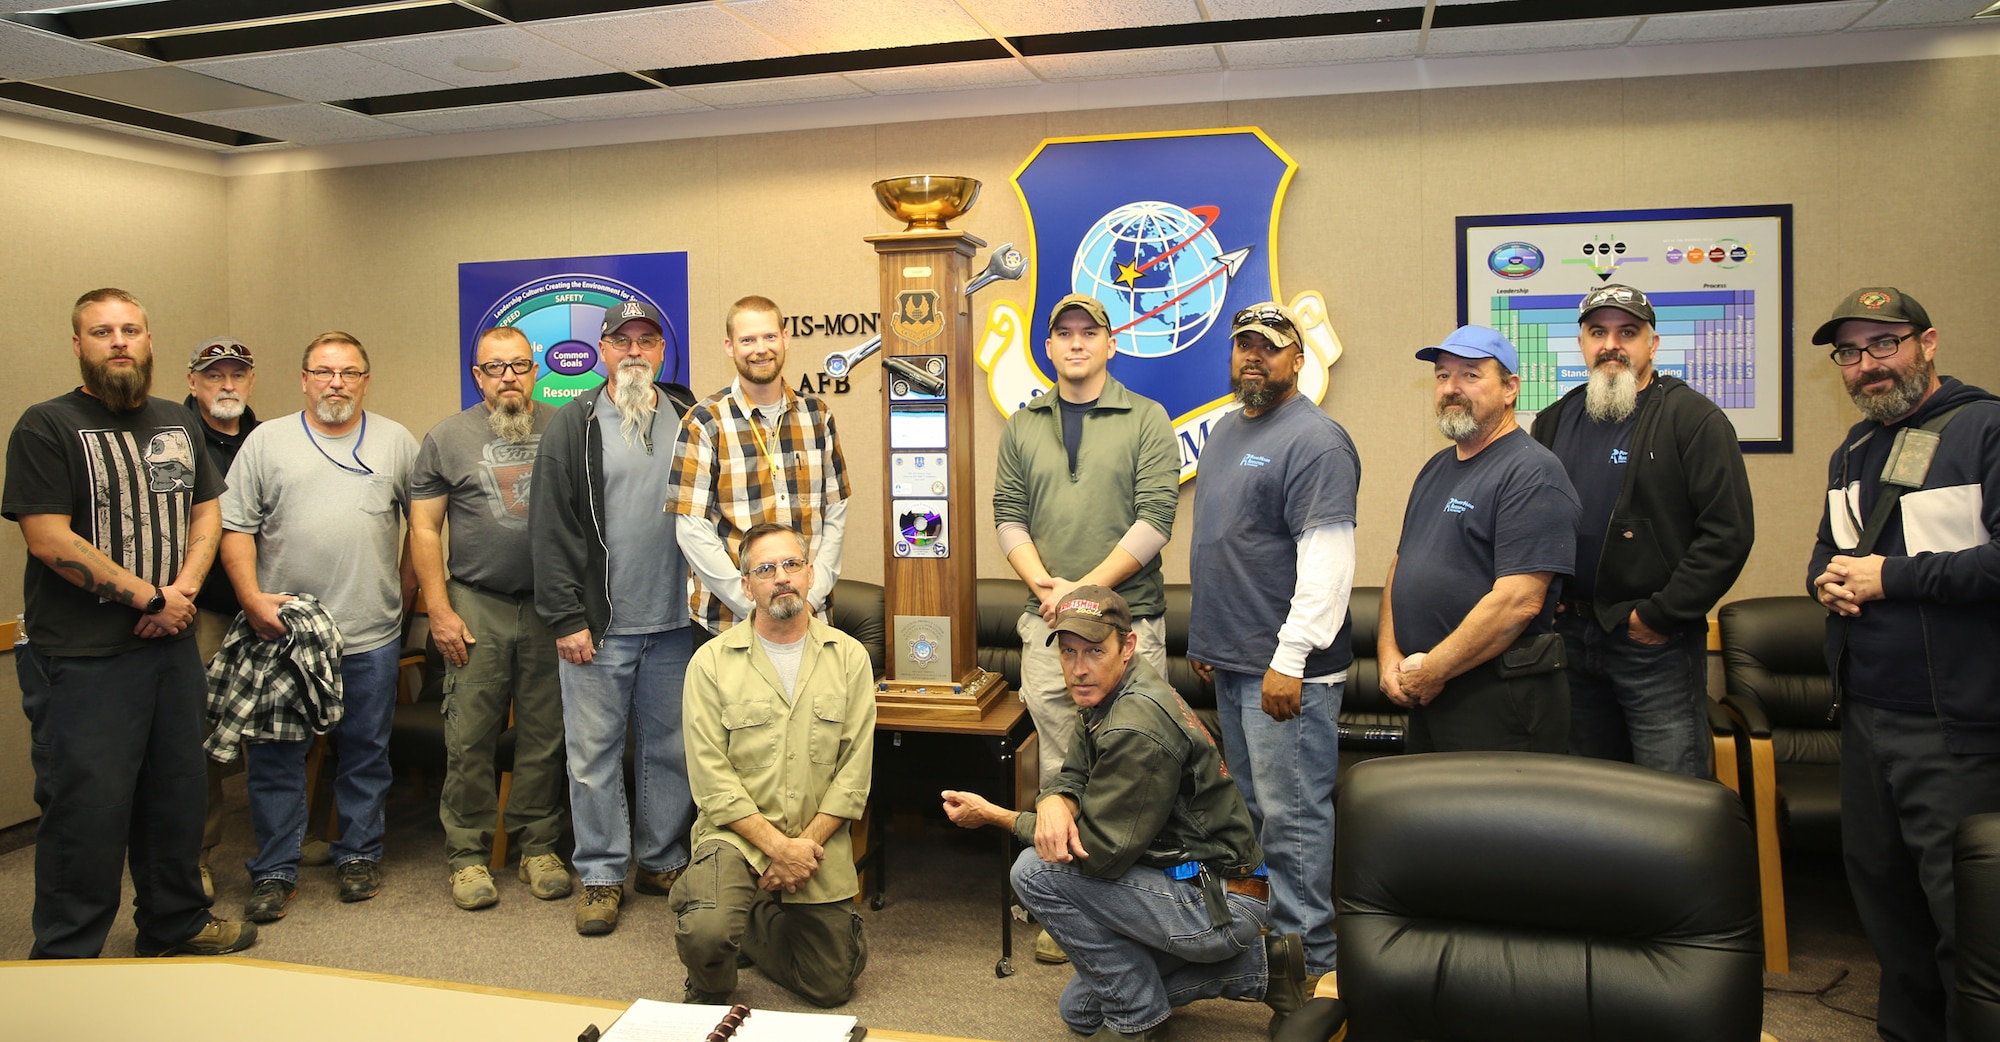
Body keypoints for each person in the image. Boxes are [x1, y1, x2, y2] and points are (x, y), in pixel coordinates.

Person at [3, 288, 257, 959]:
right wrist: (147, 598)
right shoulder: (45, 426)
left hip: (169, 649)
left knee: (175, 797)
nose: (119, 341)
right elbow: (49, 539)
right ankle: (66, 952)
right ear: (79, 346)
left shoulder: (177, 421)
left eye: (131, 329)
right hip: (83, 661)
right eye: (102, 331)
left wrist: (182, 593)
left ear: (149, 340)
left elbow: (207, 514)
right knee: (87, 812)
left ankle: (174, 922)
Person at [943, 586, 1307, 1042]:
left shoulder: (1136, 723)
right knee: (1079, 1010)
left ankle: (1138, 1020)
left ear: (1126, 645)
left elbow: (1098, 853)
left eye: (1095, 651)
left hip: (1219, 899)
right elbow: (1073, 771)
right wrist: (1053, 801)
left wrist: (998, 816)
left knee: (1035, 871)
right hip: (1179, 877)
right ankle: (1266, 969)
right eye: (1069, 652)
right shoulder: (1109, 690)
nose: (1078, 668)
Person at [1809, 286, 2000, 1042]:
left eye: (1884, 345)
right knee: (1888, 911)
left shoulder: (1985, 428)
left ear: (1928, 343)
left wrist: (1890, 577)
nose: (1867, 365)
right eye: (1850, 353)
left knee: (1966, 922)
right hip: (1865, 717)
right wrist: (1826, 579)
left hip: (1957, 727)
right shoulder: (1853, 448)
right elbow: (1833, 552)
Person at [992, 292, 1178, 963]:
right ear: (1049, 347)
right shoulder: (1024, 424)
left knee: (1131, 764)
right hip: (1046, 623)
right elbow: (1008, 515)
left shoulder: (1148, 419)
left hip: (1127, 624)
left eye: (1088, 333)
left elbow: (1156, 520)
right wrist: (1047, 585)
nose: (1075, 344)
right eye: (1063, 334)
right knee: (1060, 762)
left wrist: (1086, 591)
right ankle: (1063, 900)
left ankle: (1137, 904)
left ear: (1110, 344)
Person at [1185, 301, 1358, 983]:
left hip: (1286, 674)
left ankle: (1312, 975)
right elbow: (1226, 544)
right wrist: (1211, 637)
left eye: (1269, 347)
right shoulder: (1228, 430)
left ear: (1298, 359)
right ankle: (1272, 960)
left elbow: (1329, 565)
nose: (1252, 357)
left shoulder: (1316, 439)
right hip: (1233, 663)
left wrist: (1289, 660)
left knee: (1294, 824)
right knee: (1256, 818)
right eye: (1243, 345)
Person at [220, 330, 418, 919]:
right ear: (304, 379)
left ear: (365, 379)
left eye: (350, 372)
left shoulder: (395, 442)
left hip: (370, 634)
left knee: (365, 752)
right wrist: (253, 599)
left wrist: (404, 594)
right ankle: (275, 869)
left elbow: (424, 525)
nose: (337, 383)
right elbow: (236, 530)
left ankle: (358, 853)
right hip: (286, 635)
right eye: (325, 372)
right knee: (278, 756)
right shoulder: (265, 442)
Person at [1530, 284, 1754, 777]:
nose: (1612, 344)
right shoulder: (1551, 421)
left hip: (1654, 645)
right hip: (1571, 637)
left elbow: (1728, 533)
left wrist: (1658, 616)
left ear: (1652, 344)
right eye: (1598, 332)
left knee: (1672, 797)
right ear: (1583, 343)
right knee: (1589, 795)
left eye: (1627, 332)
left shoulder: (1694, 419)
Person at [531, 298, 698, 936]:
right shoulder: (573, 427)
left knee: (671, 749)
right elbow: (547, 533)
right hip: (597, 628)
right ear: (602, 351)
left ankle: (660, 860)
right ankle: (601, 874)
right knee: (592, 755)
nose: (634, 352)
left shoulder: (690, 417)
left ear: (662, 351)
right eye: (621, 341)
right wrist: (564, 618)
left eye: (646, 341)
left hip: (676, 624)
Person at [671, 523, 875, 1007]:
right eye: (765, 569)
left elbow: (853, 775)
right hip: (736, 835)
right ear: (746, 586)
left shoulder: (849, 658)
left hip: (815, 839)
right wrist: (774, 847)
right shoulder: (710, 662)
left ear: (809, 574)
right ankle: (711, 936)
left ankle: (749, 918)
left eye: (791, 565)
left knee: (831, 984)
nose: (780, 577)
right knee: (706, 935)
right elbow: (711, 781)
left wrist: (798, 848)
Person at [409, 326, 570, 911]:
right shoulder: (446, 438)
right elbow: (424, 528)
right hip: (476, 600)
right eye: (494, 367)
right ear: (477, 375)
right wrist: (439, 610)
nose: (508, 376)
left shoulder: (566, 426)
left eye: (519, 366)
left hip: (551, 604)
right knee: (470, 731)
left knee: (544, 732)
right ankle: (468, 855)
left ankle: (537, 846)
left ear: (535, 372)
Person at [1379, 325, 1580, 753]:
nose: (1452, 387)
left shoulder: (1533, 473)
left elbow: (1518, 601)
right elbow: (1402, 565)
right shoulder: (1436, 468)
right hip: (1429, 689)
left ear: (1510, 388)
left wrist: (1434, 670)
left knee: (1492, 822)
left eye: (1470, 375)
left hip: (1498, 697)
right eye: (1442, 375)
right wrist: (1388, 654)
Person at [672, 295, 849, 642]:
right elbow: (691, 529)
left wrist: (811, 598)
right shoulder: (703, 422)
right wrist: (753, 604)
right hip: (726, 624)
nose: (760, 349)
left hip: (810, 620)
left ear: (785, 338)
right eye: (747, 340)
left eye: (769, 337)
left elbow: (835, 515)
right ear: (729, 346)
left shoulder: (817, 417)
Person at [183, 335, 262, 899]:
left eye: (236, 375)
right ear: (194, 383)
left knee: (273, 729)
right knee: (198, 737)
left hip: (262, 610)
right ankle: (197, 855)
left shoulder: (267, 439)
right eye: (215, 376)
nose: (226, 385)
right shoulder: (172, 441)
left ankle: (276, 843)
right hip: (203, 611)